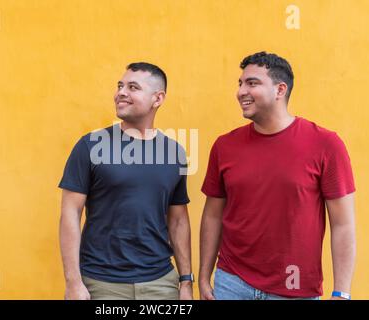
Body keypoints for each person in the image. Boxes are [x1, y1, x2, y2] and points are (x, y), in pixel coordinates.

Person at [199, 52, 356, 300]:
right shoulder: (224, 146)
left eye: (252, 83)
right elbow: (212, 214)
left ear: (280, 90)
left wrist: (342, 292)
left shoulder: (325, 144)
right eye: (240, 84)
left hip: (295, 288)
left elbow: (343, 224)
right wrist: (203, 275)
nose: (241, 92)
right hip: (231, 282)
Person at [59, 62, 193, 300]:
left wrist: (185, 282)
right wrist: (73, 282)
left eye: (133, 87)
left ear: (157, 98)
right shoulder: (90, 145)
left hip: (161, 284)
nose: (121, 92)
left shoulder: (175, 153)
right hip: (100, 284)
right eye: (120, 86)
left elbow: (178, 220)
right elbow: (70, 212)